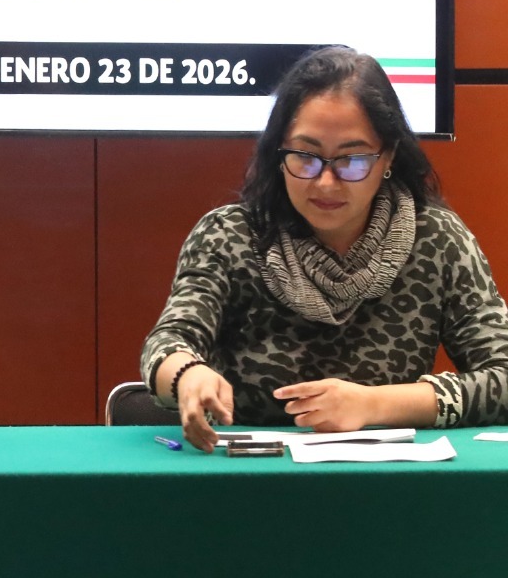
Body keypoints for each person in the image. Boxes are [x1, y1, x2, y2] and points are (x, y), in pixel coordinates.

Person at [141, 46, 508, 451]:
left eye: (352, 160)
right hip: (251, 473)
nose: (326, 183)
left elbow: (503, 376)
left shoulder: (436, 239)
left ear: (388, 156)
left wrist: (374, 405)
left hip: (389, 478)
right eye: (306, 156)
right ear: (278, 153)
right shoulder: (230, 235)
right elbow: (168, 343)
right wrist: (187, 374)